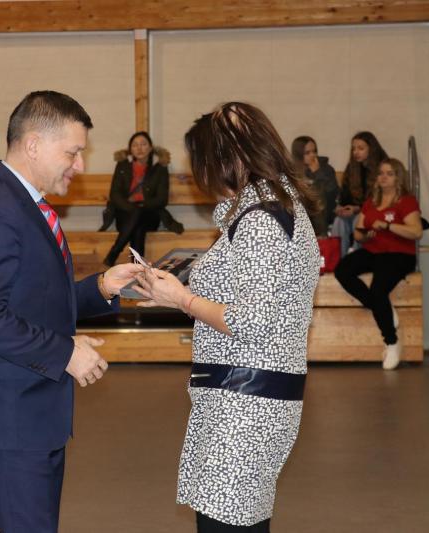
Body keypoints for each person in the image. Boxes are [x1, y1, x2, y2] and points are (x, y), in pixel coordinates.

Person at [0, 90, 142, 533]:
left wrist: (102, 287)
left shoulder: (22, 205)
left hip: (31, 413)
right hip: (8, 417)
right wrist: (65, 353)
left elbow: (35, 300)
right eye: (72, 152)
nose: (80, 165)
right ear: (33, 144)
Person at [134, 102, 320, 532]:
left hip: (244, 403)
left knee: (226, 524)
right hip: (249, 397)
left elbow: (251, 320)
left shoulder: (260, 221)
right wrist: (174, 295)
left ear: (226, 159)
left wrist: (182, 299)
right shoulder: (272, 210)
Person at [334, 158, 423, 370]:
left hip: (399, 254)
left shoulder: (406, 201)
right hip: (374, 251)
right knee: (342, 270)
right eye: (381, 173)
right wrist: (366, 236)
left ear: (398, 178)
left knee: (378, 289)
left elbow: (416, 231)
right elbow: (358, 232)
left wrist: (388, 226)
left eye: (389, 173)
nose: (383, 177)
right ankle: (380, 307)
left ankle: (391, 342)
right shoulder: (371, 202)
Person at [101, 131, 171, 266]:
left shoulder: (159, 169)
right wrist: (132, 208)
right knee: (138, 224)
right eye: (135, 145)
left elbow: (162, 199)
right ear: (130, 149)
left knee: (138, 216)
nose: (139, 148)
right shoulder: (122, 166)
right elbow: (114, 194)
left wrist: (141, 206)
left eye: (143, 144)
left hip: (150, 215)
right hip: (125, 215)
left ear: (150, 148)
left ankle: (114, 253)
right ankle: (138, 267)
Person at [331, 131, 388, 257]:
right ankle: (339, 260)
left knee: (359, 220)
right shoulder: (352, 168)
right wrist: (342, 208)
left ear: (371, 149)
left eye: (360, 148)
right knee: (339, 221)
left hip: (375, 214)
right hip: (356, 212)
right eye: (354, 149)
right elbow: (345, 196)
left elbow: (381, 200)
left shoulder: (383, 169)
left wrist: (358, 209)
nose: (356, 152)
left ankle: (358, 258)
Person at [291, 135, 338, 236]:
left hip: (325, 211)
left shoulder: (326, 169)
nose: (313, 155)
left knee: (318, 200)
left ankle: (321, 235)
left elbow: (332, 193)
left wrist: (317, 173)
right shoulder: (292, 172)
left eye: (314, 151)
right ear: (299, 154)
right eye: (307, 153)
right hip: (301, 213)